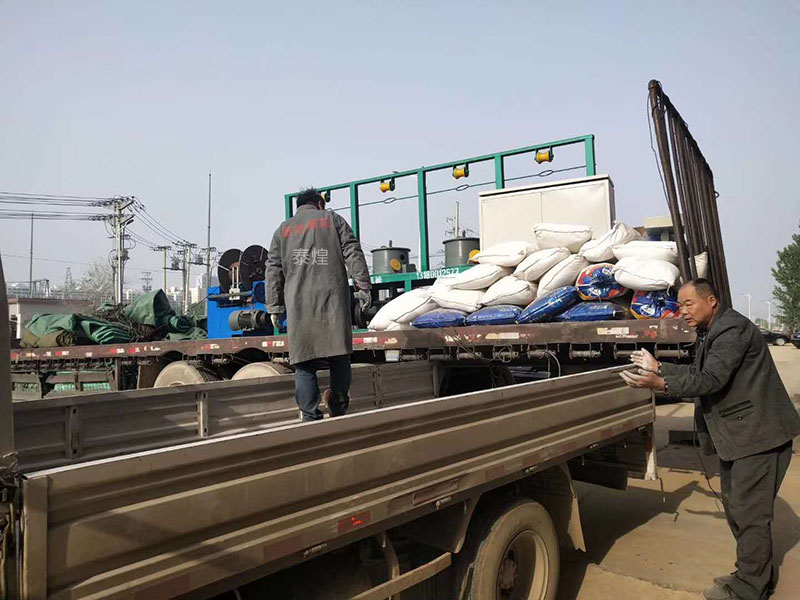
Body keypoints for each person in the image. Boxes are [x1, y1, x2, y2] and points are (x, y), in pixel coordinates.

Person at [621, 278, 800, 600]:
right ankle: (755, 577)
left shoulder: (731, 330)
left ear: (712, 300)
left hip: (759, 437)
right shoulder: (713, 331)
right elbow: (697, 372)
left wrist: (659, 383)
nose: (682, 311)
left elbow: (710, 380)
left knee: (750, 516)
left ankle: (748, 590)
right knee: (738, 510)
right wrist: (660, 366)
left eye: (688, 303)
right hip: (743, 438)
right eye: (679, 305)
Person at [266, 187, 372, 421]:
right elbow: (352, 251)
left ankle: (310, 416)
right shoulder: (332, 219)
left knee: (304, 363)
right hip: (333, 302)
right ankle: (338, 406)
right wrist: (363, 286)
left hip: (299, 306)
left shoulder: (282, 230)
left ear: (298, 208)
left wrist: (274, 307)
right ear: (320, 204)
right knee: (339, 356)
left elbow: (273, 269)